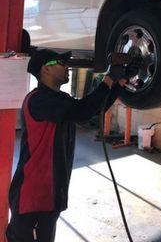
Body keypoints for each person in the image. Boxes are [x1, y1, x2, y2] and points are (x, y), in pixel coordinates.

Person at [6, 48, 126, 242]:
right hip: (32, 197)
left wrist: (119, 83)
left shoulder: (60, 99)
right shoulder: (38, 100)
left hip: (50, 194)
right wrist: (109, 78)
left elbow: (92, 109)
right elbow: (82, 111)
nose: (67, 67)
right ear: (45, 69)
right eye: (62, 63)